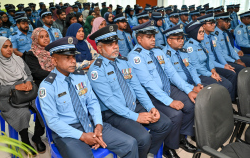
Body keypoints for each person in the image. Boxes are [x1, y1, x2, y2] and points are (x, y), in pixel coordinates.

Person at [38, 36, 138, 158]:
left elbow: (92, 102)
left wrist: (98, 125)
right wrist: (83, 136)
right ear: (54, 61)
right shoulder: (47, 87)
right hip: (67, 132)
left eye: (73, 56)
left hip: (89, 122)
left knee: (130, 144)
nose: (73, 61)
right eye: (67, 58)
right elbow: (53, 121)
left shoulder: (80, 76)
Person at [88, 24, 172, 158]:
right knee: (143, 138)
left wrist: (150, 107)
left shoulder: (123, 61)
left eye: (116, 43)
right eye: (110, 44)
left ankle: (149, 153)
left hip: (133, 105)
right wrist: (136, 117)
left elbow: (137, 87)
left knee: (165, 123)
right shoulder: (96, 71)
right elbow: (110, 102)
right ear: (99, 48)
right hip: (114, 113)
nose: (115, 46)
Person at [128, 21, 197, 158]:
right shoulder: (135, 56)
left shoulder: (158, 51)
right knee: (175, 114)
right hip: (151, 95)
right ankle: (169, 147)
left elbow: (172, 74)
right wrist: (170, 101)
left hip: (167, 88)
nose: (153, 39)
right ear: (139, 39)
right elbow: (148, 84)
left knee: (190, 104)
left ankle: (180, 138)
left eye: (153, 36)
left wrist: (188, 89)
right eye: (149, 37)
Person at [0, 37, 46, 156]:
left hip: (25, 91)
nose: (9, 49)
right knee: (22, 113)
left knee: (43, 105)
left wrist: (29, 81)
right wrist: (15, 88)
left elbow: (29, 74)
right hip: (6, 97)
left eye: (10, 46)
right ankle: (25, 141)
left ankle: (36, 137)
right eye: (5, 47)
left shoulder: (18, 60)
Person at [184, 21, 236, 101]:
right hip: (200, 75)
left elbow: (209, 59)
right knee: (221, 88)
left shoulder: (200, 43)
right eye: (200, 32)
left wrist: (213, 70)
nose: (203, 34)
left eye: (203, 32)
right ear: (194, 33)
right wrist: (210, 74)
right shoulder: (190, 47)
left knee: (228, 84)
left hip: (208, 71)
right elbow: (197, 67)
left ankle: (229, 105)